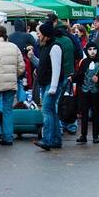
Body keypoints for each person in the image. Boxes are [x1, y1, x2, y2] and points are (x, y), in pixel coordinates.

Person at [33, 21, 64, 151]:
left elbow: (56, 69)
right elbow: (45, 64)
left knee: (46, 110)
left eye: (39, 33)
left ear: (46, 35)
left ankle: (47, 140)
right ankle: (56, 139)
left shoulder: (55, 47)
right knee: (51, 111)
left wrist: (53, 87)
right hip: (47, 83)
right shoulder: (47, 46)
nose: (38, 36)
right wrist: (33, 59)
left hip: (51, 84)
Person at [74, 41, 99, 144]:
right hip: (84, 91)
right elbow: (79, 75)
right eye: (90, 49)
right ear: (87, 51)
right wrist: (73, 78)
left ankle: (95, 136)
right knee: (84, 114)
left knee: (95, 114)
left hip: (96, 92)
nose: (92, 52)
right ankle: (83, 135)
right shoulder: (84, 62)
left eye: (94, 49)